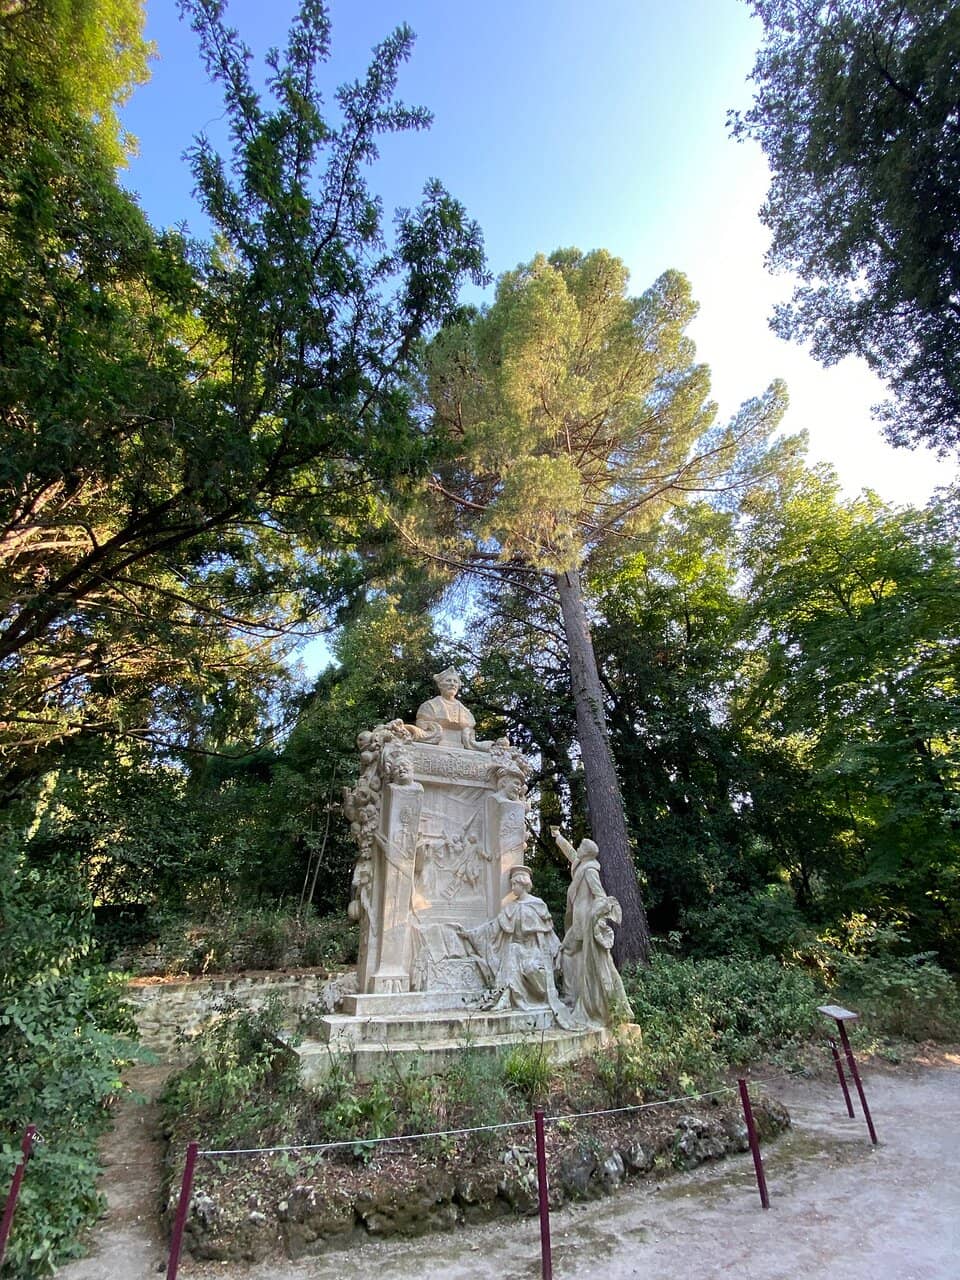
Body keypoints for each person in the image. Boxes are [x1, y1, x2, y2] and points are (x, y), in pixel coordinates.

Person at [457, 867, 576, 1027]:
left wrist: (558, 952)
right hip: (519, 949)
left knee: (526, 963)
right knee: (512, 950)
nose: (512, 888)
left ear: (524, 884)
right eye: (511, 884)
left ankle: (509, 998)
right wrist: (470, 934)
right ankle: (505, 998)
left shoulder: (537, 905)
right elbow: (492, 928)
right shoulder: (511, 907)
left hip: (535, 951)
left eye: (514, 885)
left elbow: (548, 935)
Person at [551, 827, 632, 1025]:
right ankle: (574, 995)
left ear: (586, 853)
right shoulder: (581, 864)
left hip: (585, 920)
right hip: (579, 919)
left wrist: (600, 917)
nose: (576, 848)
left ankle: (573, 996)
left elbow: (600, 895)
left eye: (580, 847)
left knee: (568, 951)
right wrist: (558, 837)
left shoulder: (589, 870)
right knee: (571, 953)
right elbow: (571, 853)